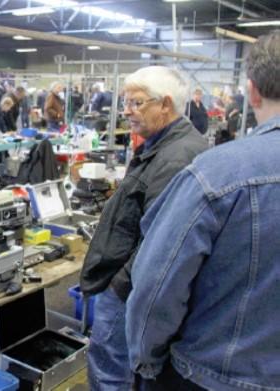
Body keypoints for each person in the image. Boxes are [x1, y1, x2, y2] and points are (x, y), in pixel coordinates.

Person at [126, 30, 280, 391]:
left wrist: (147, 362)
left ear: (252, 90)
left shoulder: (217, 174)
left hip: (213, 376)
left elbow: (155, 286)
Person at [79, 66, 208, 391]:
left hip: (128, 293)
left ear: (165, 104)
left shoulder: (174, 158)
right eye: (126, 102)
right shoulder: (172, 145)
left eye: (136, 103)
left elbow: (159, 245)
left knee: (111, 374)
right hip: (134, 288)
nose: (126, 111)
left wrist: (116, 287)